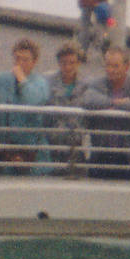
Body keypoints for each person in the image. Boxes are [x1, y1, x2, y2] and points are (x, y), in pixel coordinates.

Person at [77, 45, 130, 181]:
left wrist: (124, 105)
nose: (110, 70)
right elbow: (87, 99)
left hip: (128, 157)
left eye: (115, 66)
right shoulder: (98, 83)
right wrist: (114, 102)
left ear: (127, 66)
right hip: (100, 154)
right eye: (108, 65)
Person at [0, 37, 54, 177]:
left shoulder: (41, 84)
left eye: (25, 60)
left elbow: (34, 100)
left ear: (34, 62)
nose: (20, 63)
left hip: (32, 155)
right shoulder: (0, 80)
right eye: (17, 58)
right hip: (4, 153)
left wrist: (22, 80)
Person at [44, 40, 89, 177]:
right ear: (59, 63)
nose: (68, 67)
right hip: (52, 146)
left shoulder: (88, 84)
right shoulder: (47, 82)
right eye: (64, 63)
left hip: (76, 147)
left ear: (78, 63)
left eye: (72, 63)